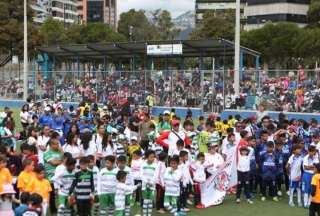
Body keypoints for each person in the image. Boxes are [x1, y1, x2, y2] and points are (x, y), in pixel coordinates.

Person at [43, 138, 62, 214]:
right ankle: (53, 209)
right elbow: (53, 163)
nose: (58, 145)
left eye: (58, 144)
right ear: (51, 145)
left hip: (59, 177)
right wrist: (61, 162)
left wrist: (62, 151)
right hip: (50, 177)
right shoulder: (46, 153)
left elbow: (65, 159)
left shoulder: (59, 152)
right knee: (52, 195)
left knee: (61, 193)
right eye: (56, 144)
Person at [140, 150, 158, 216]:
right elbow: (141, 175)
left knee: (150, 201)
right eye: (151, 157)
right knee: (145, 201)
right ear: (147, 157)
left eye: (153, 157)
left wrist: (151, 182)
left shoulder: (156, 165)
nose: (152, 158)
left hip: (152, 186)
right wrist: (146, 181)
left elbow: (156, 175)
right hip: (144, 185)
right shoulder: (143, 164)